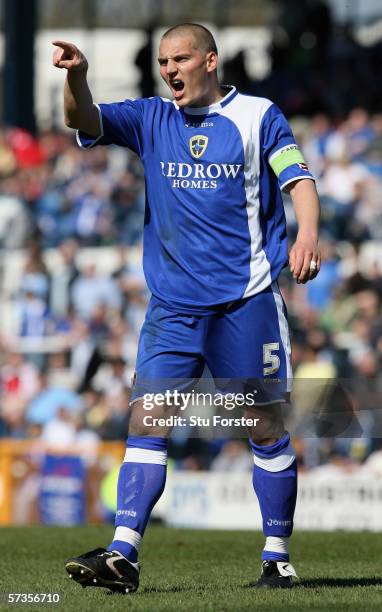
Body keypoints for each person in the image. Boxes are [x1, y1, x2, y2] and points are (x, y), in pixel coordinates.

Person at [53, 23, 320, 594]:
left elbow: (299, 181)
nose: (169, 69)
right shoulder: (151, 118)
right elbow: (83, 119)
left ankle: (277, 555)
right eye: (162, 61)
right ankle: (123, 553)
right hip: (173, 308)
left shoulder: (259, 117)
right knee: (148, 423)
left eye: (180, 58)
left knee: (264, 426)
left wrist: (307, 235)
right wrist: (77, 77)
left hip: (245, 301)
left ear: (210, 60)